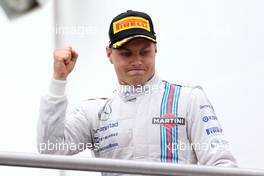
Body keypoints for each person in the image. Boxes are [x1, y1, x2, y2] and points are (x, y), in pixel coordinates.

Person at [37, 10, 237, 175]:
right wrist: (58, 80)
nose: (137, 61)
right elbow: (51, 149)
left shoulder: (188, 99)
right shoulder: (95, 112)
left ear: (156, 50)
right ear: (109, 54)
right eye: (126, 53)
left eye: (144, 52)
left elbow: (222, 164)